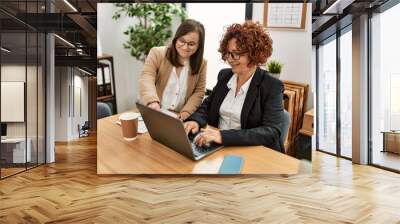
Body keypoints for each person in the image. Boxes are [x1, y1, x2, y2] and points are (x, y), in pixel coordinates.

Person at [184, 21, 285, 152]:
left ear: (254, 54)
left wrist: (223, 136)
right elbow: (207, 105)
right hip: (217, 147)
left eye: (236, 53)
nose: (230, 59)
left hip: (251, 151)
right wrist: (195, 121)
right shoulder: (224, 76)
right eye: (228, 53)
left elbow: (271, 131)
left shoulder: (272, 86)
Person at [139, 19, 207, 121]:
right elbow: (147, 76)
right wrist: (152, 101)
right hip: (154, 111)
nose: (185, 47)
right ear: (176, 39)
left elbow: (199, 91)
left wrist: (186, 113)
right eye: (182, 41)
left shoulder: (202, 63)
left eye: (191, 44)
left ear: (199, 46)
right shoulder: (157, 53)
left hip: (178, 118)